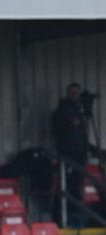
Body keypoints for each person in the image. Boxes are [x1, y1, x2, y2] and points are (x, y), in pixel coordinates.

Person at [52, 82, 103, 226]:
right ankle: (62, 219)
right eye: (72, 93)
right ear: (68, 93)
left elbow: (82, 139)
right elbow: (62, 133)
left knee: (77, 188)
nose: (75, 96)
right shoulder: (61, 111)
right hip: (68, 158)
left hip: (80, 157)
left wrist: (94, 150)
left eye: (77, 93)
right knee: (66, 188)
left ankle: (76, 217)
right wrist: (72, 121)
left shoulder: (80, 113)